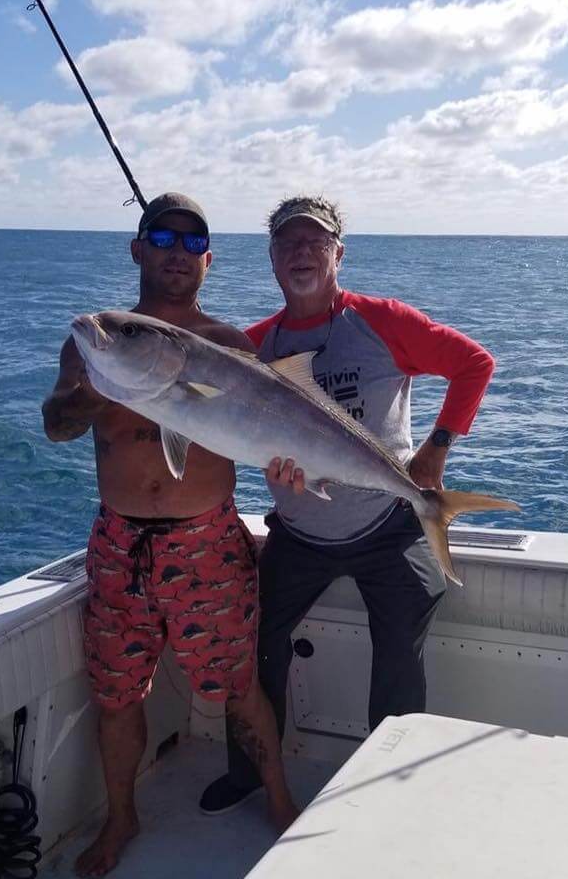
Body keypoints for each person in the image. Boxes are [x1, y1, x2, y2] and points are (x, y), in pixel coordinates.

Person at [200, 195, 496, 814]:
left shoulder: (382, 321)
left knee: (399, 649)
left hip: (388, 524)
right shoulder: (255, 348)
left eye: (315, 242)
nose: (301, 253)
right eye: (288, 244)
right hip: (299, 531)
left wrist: (437, 452)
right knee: (254, 645)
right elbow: (231, 431)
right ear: (272, 260)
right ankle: (251, 771)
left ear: (339, 253)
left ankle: (388, 790)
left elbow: (474, 363)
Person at [43, 193, 298, 876]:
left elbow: (272, 435)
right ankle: (122, 816)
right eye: (162, 237)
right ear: (137, 249)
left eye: (193, 243)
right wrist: (100, 390)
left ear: (208, 261)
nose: (177, 253)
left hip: (207, 542)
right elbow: (57, 426)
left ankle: (279, 797)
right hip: (119, 545)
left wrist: (293, 469)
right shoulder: (97, 338)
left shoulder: (228, 346)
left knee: (239, 684)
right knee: (117, 693)